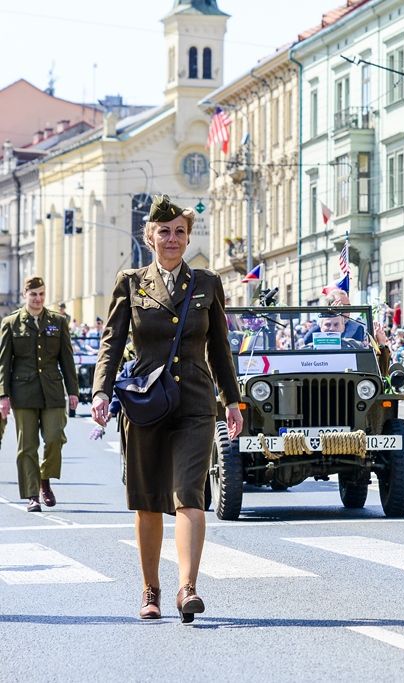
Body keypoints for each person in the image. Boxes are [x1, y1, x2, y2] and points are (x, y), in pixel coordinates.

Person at [90, 195, 243, 623]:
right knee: (149, 501)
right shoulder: (131, 283)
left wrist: (232, 400)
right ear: (150, 237)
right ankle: (150, 588)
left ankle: (188, 587)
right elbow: (112, 342)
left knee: (189, 495)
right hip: (145, 404)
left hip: (195, 402)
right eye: (164, 232)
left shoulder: (207, 283)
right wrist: (101, 391)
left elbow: (219, 349)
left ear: (188, 237)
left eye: (179, 231)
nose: (172, 239)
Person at [0, 276, 79, 512]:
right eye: (34, 294)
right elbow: (3, 363)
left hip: (52, 391)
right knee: (27, 446)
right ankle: (32, 494)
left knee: (55, 438)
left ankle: (45, 478)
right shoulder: (11, 323)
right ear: (26, 295)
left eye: (42, 294)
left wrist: (73, 392)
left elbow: (67, 359)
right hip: (23, 392)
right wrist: (3, 396)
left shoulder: (58, 321)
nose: (38, 298)